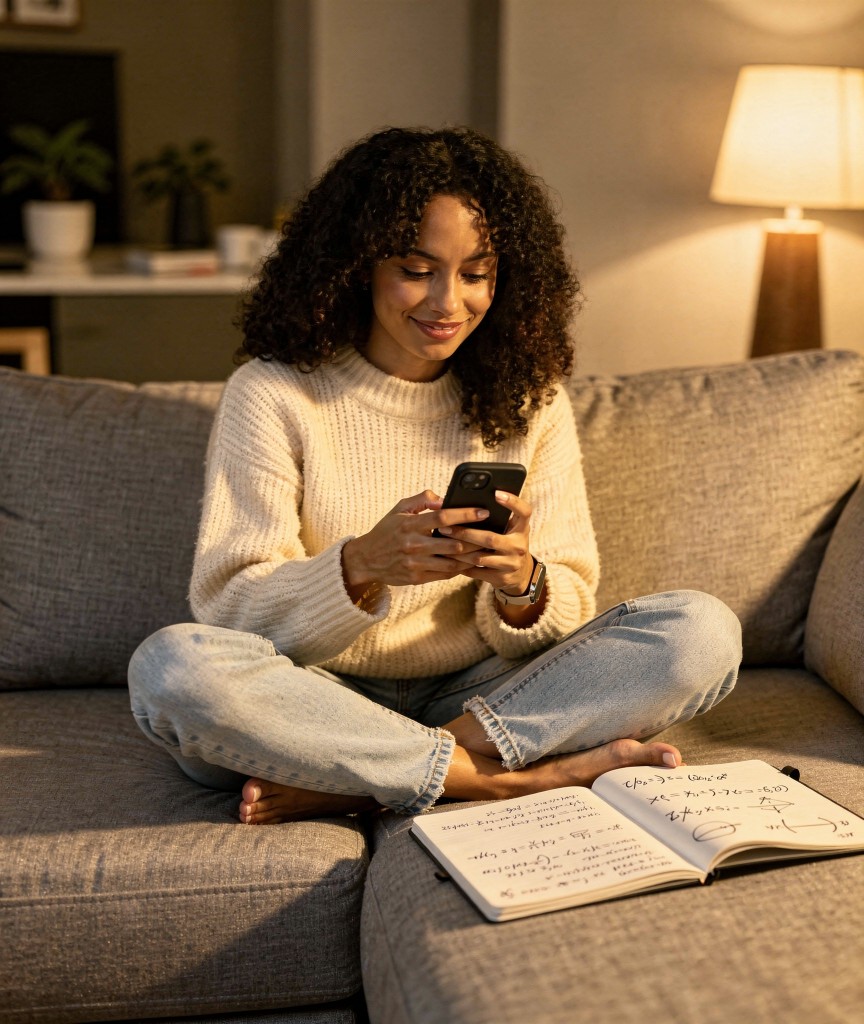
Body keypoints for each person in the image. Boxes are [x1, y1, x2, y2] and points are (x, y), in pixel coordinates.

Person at [128, 126, 741, 825]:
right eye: (417, 270)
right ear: (357, 265)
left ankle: (372, 779)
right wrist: (359, 567)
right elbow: (230, 608)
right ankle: (506, 781)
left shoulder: (531, 399)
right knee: (173, 671)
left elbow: (564, 606)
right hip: (313, 697)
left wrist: (522, 586)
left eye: (476, 273)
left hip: (482, 695)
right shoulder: (272, 393)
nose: (448, 303)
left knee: (703, 631)